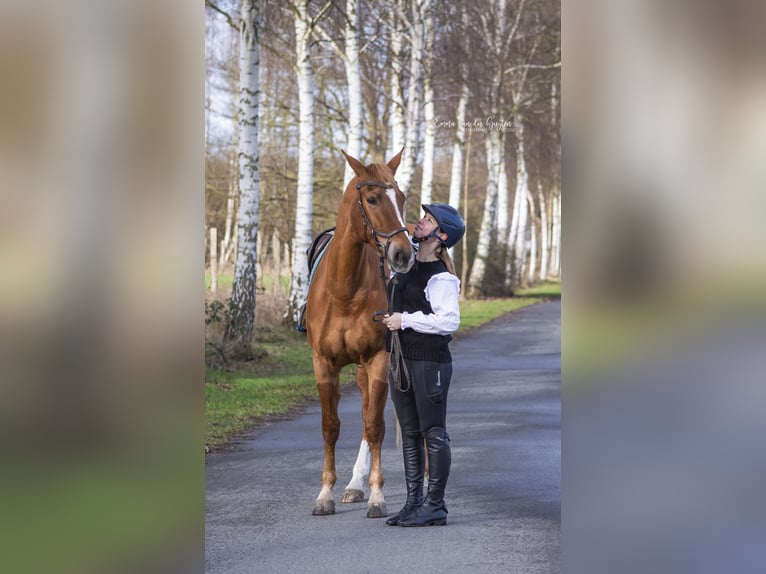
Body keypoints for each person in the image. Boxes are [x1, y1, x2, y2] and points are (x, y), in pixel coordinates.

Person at [382, 203, 465, 527]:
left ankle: (435, 506)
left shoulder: (442, 278)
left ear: (442, 235)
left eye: (428, 220)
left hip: (430, 363)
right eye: (423, 216)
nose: (420, 221)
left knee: (434, 433)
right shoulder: (406, 266)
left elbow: (449, 322)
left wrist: (406, 319)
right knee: (411, 433)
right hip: (402, 361)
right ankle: (413, 502)